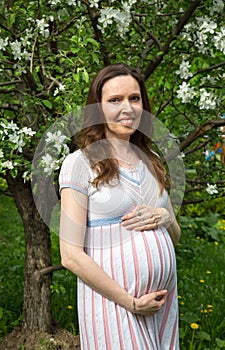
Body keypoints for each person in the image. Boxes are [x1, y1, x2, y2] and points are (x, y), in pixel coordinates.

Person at [59, 63, 181, 349]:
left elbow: (175, 236)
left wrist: (165, 216)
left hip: (161, 306)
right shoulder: (80, 163)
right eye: (115, 100)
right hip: (115, 305)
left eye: (134, 98)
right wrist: (132, 302)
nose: (127, 108)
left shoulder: (152, 160)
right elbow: (70, 255)